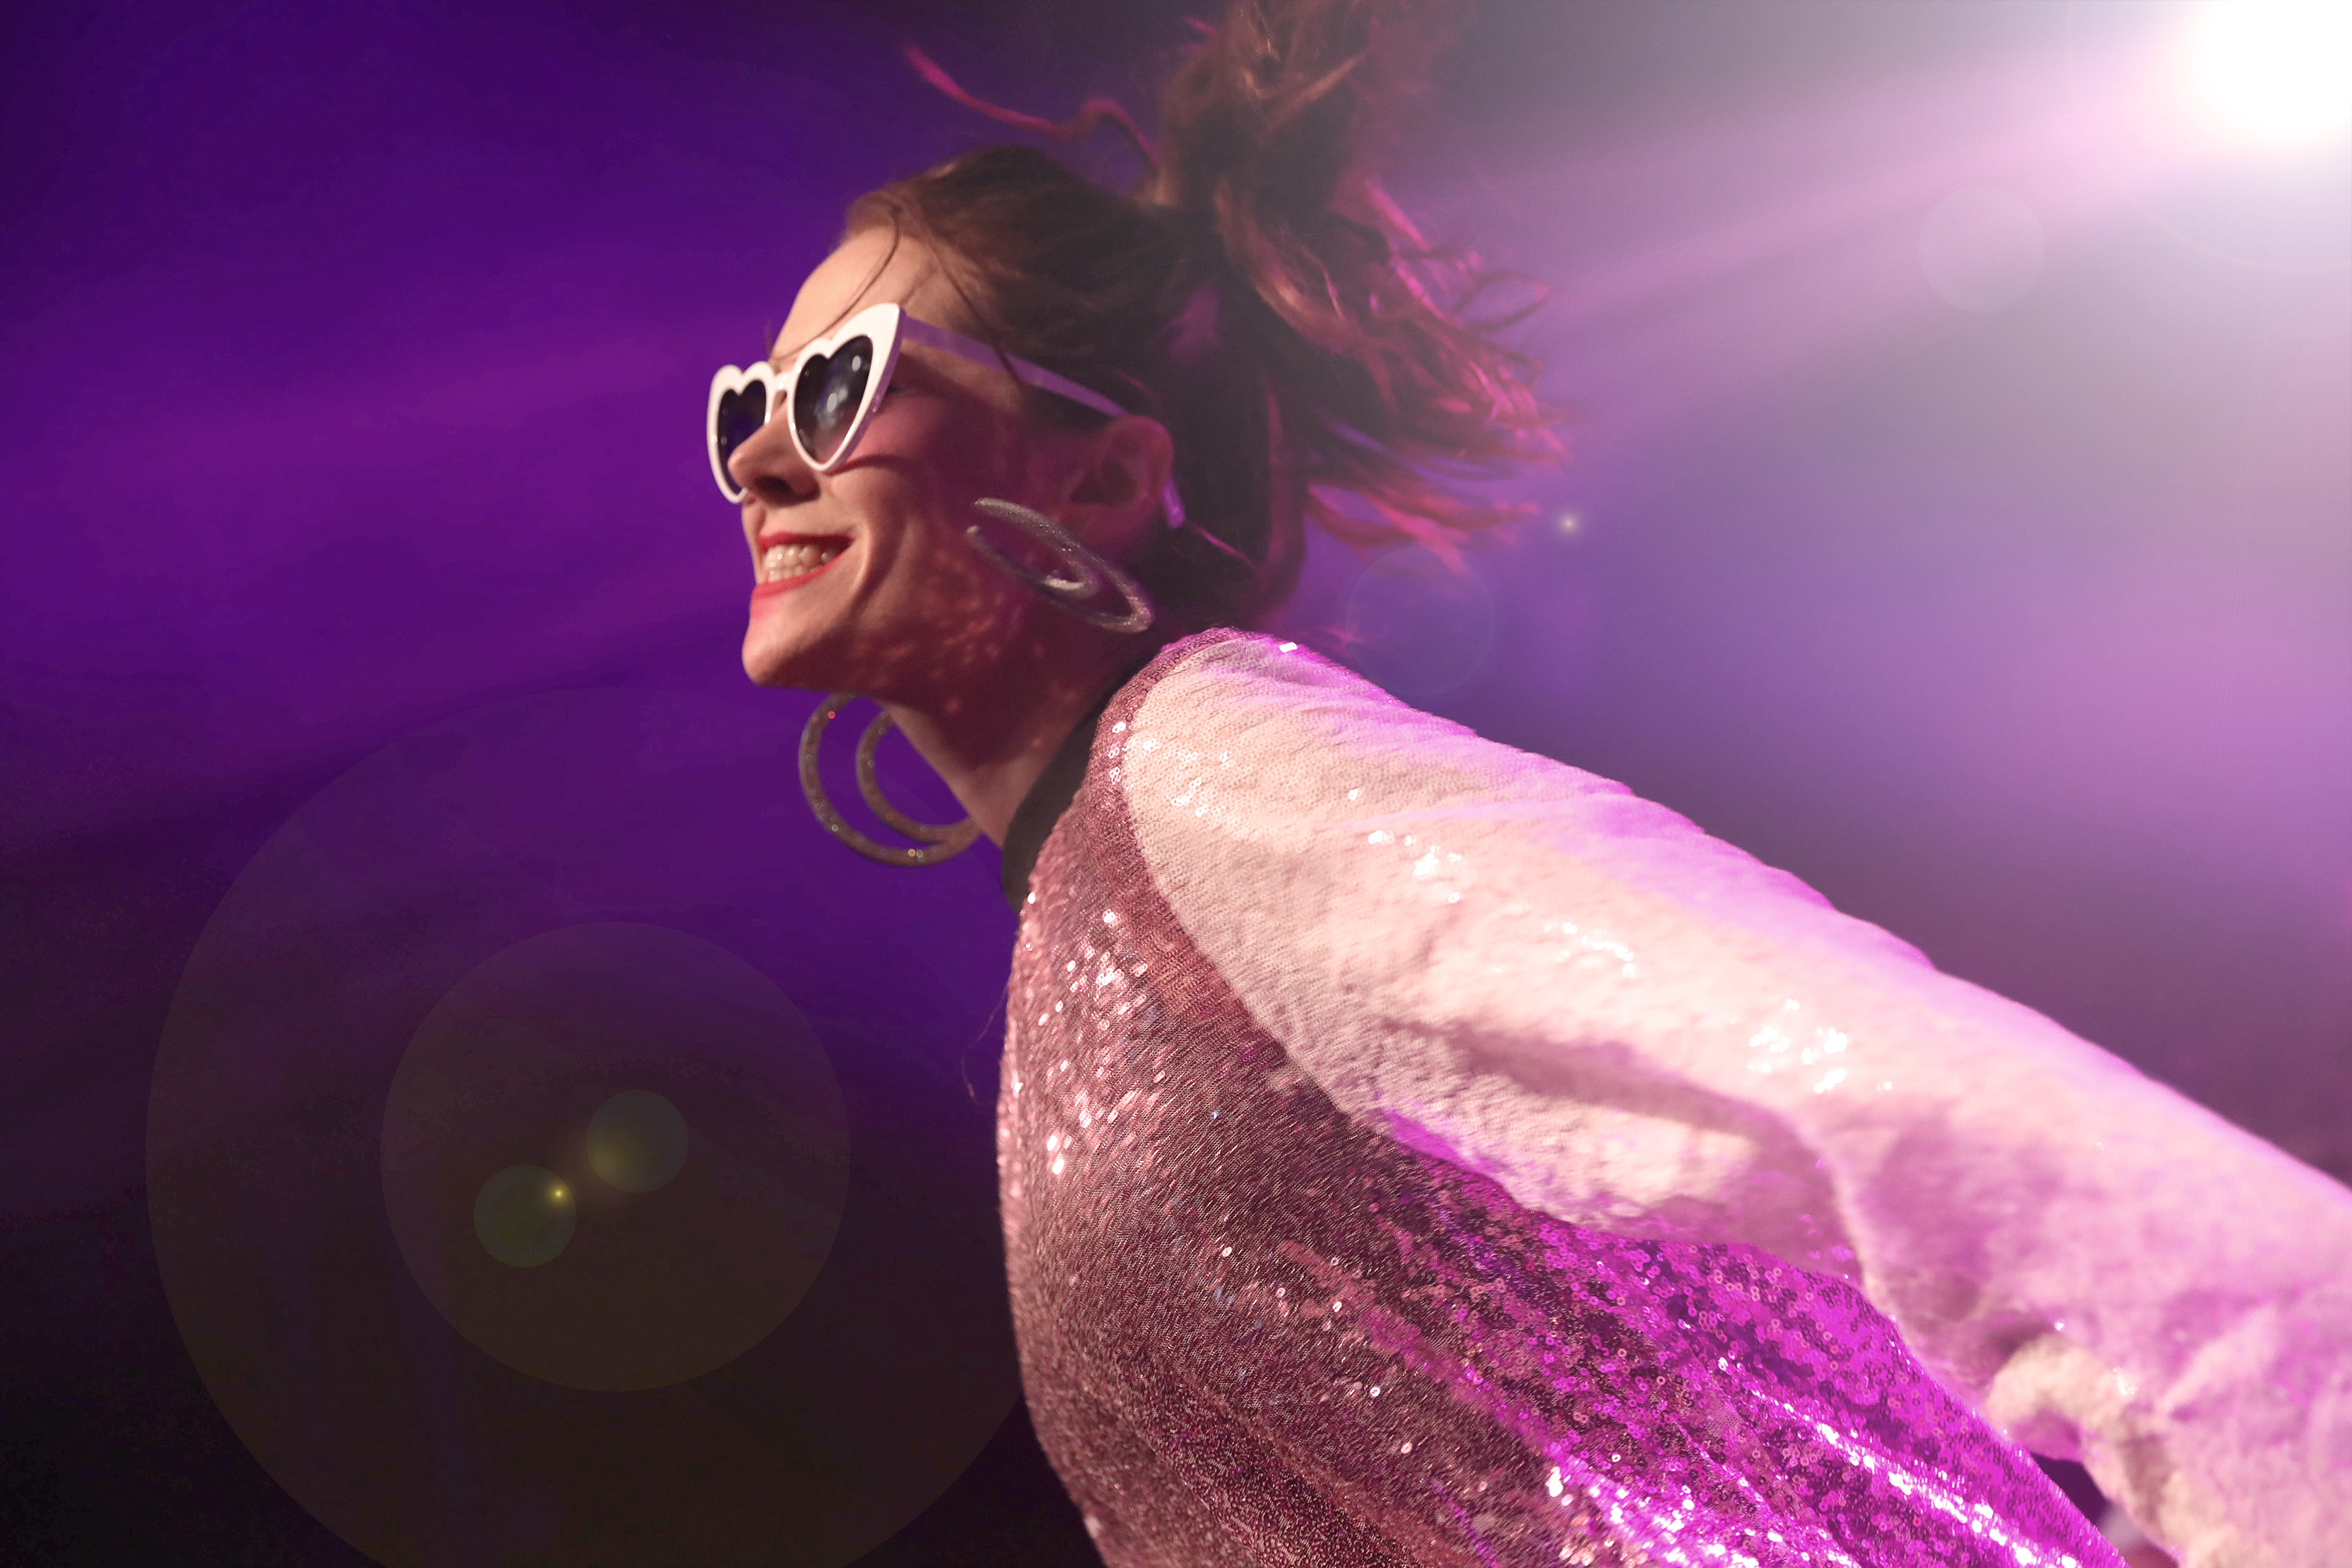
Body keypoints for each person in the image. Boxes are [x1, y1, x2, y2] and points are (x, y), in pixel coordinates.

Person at [710, 2, 2352, 1563]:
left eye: (842, 383)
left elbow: (1916, 1112)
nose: (765, 458)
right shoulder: (1095, 897)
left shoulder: (1214, 769)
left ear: (1107, 474)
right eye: (749, 407)